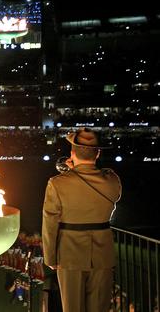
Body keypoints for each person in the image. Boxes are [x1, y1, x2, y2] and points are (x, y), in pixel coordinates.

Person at [42, 127, 122, 312]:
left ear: (72, 153)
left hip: (70, 255)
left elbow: (50, 223)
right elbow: (108, 185)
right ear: (98, 153)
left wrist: (51, 258)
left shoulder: (57, 183)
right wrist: (78, 171)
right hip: (103, 255)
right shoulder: (112, 181)